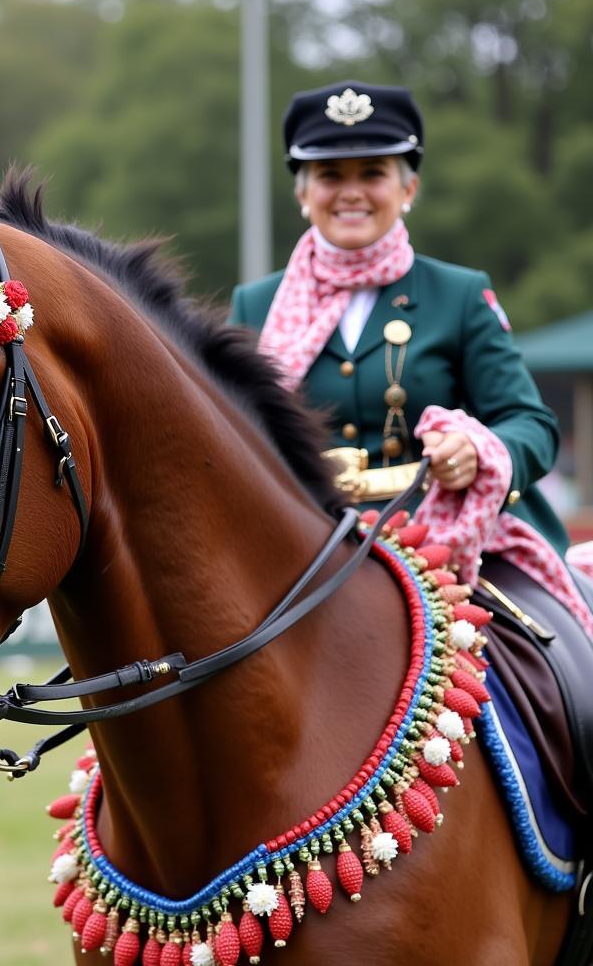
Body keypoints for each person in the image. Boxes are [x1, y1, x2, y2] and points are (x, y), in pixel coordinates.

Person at [229, 80, 593, 625]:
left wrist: (480, 452)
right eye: (330, 176)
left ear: (409, 189)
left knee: (549, 681)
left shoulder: (459, 294)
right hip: (302, 549)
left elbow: (531, 424)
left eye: (373, 173)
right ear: (303, 194)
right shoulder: (254, 306)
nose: (351, 192)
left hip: (450, 544)